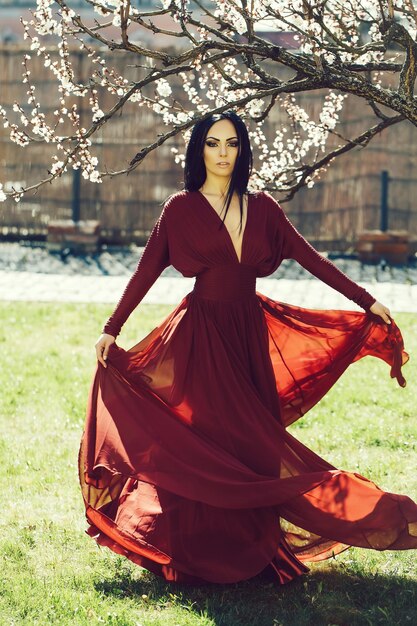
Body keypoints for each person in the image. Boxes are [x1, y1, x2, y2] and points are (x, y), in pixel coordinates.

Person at [79, 110, 416, 586]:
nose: (222, 154)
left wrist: (368, 301)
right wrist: (112, 327)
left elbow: (310, 258)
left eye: (232, 144)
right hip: (202, 336)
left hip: (248, 335)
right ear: (199, 150)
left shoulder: (263, 209)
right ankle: (195, 550)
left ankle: (254, 550)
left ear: (243, 150)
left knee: (252, 445)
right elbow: (147, 269)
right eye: (213, 144)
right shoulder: (180, 208)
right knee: (209, 441)